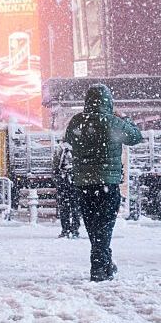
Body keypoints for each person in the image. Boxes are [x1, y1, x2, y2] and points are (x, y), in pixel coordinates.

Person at [63, 84, 143, 282]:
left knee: (92, 226)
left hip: (83, 183)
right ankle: (98, 267)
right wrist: (124, 118)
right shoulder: (113, 122)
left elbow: (69, 139)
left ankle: (105, 263)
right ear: (108, 101)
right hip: (108, 182)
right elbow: (136, 137)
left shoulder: (77, 121)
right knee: (105, 226)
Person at [53, 143, 81, 239]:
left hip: (65, 180)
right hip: (73, 180)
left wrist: (57, 178)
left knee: (66, 206)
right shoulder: (77, 146)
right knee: (75, 207)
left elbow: (55, 165)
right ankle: (74, 229)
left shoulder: (61, 148)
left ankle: (66, 229)